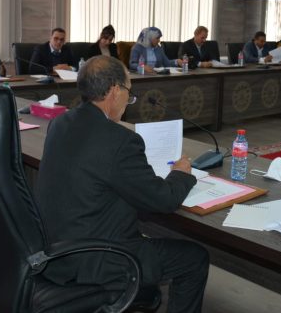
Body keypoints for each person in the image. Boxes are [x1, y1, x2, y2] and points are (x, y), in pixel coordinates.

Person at [36, 56, 208, 312]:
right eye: (129, 92)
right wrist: (181, 173)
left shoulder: (60, 122)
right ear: (115, 91)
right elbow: (163, 200)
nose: (129, 100)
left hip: (55, 249)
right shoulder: (120, 140)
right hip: (99, 259)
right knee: (195, 258)